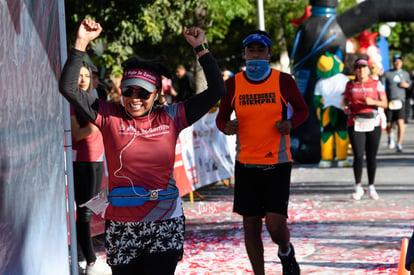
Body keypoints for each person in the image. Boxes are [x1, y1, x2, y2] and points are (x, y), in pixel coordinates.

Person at [59, 19, 225, 275]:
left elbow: (217, 89)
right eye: (129, 91)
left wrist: (201, 48)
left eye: (143, 93)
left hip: (164, 221)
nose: (134, 99)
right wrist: (81, 42)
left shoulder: (171, 116)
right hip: (122, 225)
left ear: (157, 94)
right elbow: (68, 87)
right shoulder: (108, 115)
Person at [216, 30, 308, 275]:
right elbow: (221, 118)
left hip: (277, 163)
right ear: (244, 53)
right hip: (246, 164)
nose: (255, 54)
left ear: (269, 53)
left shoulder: (283, 81)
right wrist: (226, 126)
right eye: (251, 50)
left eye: (260, 49)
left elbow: (302, 111)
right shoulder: (233, 84)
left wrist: (290, 124)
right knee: (251, 225)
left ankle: (286, 250)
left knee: (275, 226)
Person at [71, 62, 111, 275]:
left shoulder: (91, 99)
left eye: (87, 75)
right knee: (85, 212)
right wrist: (96, 125)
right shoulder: (70, 101)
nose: (84, 79)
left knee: (92, 209)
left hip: (97, 159)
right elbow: (76, 134)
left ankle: (79, 259)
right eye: (80, 75)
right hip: (82, 162)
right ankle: (91, 261)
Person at [343, 58, 388, 201]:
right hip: (356, 121)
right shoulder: (350, 84)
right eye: (358, 68)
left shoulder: (376, 83)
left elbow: (385, 103)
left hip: (373, 121)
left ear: (368, 69)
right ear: (355, 70)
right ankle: (358, 186)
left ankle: (371, 186)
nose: (361, 70)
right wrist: (346, 106)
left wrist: (373, 102)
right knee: (358, 155)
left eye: (364, 67)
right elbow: (345, 100)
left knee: (371, 156)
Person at [313, 52, 351, 168]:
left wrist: (319, 109)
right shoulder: (344, 79)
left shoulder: (319, 83)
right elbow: (349, 94)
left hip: (326, 111)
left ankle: (325, 159)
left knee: (326, 134)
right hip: (341, 109)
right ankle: (342, 159)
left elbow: (316, 99)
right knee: (342, 134)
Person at [380, 54, 411, 152]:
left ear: (401, 63)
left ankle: (399, 143)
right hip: (390, 101)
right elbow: (380, 84)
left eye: (399, 61)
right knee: (389, 124)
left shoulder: (405, 74)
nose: (397, 63)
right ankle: (390, 136)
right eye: (395, 61)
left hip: (401, 101)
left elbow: (409, 85)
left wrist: (406, 85)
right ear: (393, 62)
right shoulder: (387, 73)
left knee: (400, 122)